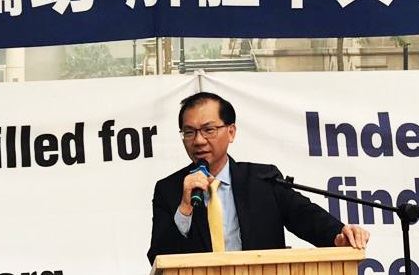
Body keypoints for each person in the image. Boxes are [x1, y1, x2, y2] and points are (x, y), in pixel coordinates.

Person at [147, 92, 369, 263]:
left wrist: (338, 234)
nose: (198, 140)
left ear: (231, 132)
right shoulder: (169, 189)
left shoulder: (263, 180)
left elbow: (306, 216)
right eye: (189, 132)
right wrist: (185, 208)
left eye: (208, 130)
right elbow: (158, 257)